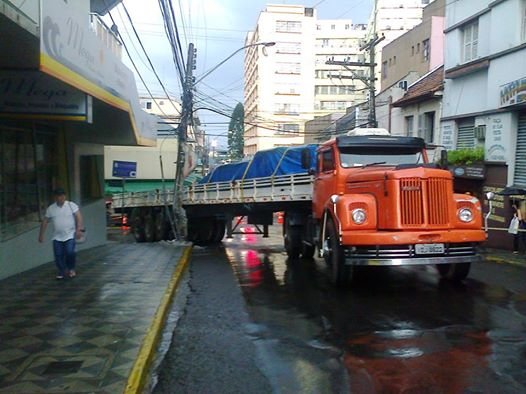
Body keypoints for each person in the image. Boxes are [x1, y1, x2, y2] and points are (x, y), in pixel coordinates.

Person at [38, 188, 84, 279]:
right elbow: (45, 221)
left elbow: (79, 216)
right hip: (57, 236)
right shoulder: (51, 208)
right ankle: (62, 270)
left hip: (70, 234)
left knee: (70, 252)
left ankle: (71, 268)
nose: (61, 197)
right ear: (55, 197)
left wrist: (79, 229)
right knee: (58, 255)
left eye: (63, 195)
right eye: (59, 196)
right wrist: (41, 234)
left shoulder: (71, 205)